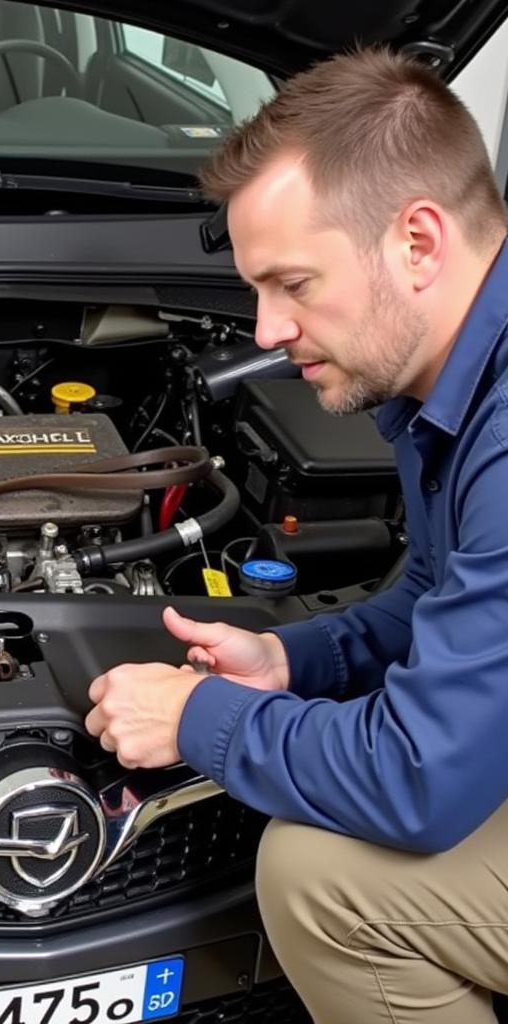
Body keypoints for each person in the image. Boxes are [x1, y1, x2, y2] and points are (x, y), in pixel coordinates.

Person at [84, 48, 508, 1024]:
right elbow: (433, 597)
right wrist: (286, 658)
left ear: (416, 241)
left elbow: (417, 780)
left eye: (294, 284)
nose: (266, 330)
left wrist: (194, 718)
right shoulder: (441, 378)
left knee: (322, 881)